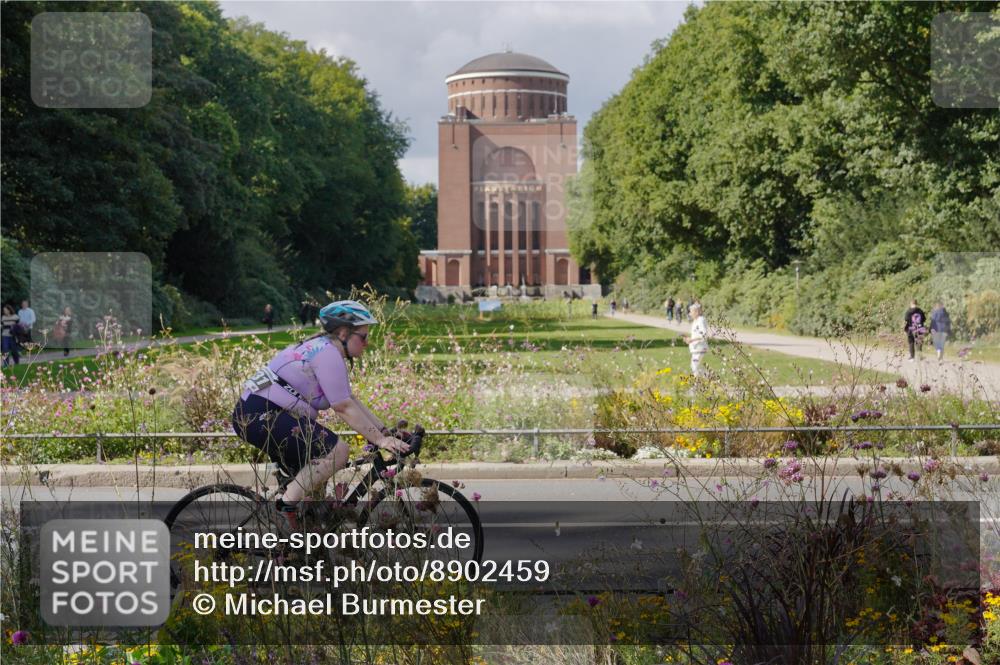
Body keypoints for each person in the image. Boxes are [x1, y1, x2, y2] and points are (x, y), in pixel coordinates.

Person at [232, 300, 409, 527]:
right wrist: (381, 439)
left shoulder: (324, 348)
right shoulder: (327, 354)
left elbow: (349, 399)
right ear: (344, 333)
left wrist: (384, 431)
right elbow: (343, 406)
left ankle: (302, 544)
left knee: (314, 490)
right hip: (259, 415)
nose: (367, 343)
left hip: (262, 413)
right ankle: (284, 509)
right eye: (363, 337)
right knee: (337, 451)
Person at [683, 302, 709, 377]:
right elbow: (696, 334)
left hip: (700, 347)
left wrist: (691, 340)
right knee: (694, 366)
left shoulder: (701, 320)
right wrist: (688, 339)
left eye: (691, 312)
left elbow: (704, 334)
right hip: (696, 347)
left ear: (696, 312)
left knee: (694, 366)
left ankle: (697, 384)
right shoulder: (696, 321)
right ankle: (709, 377)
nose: (690, 314)